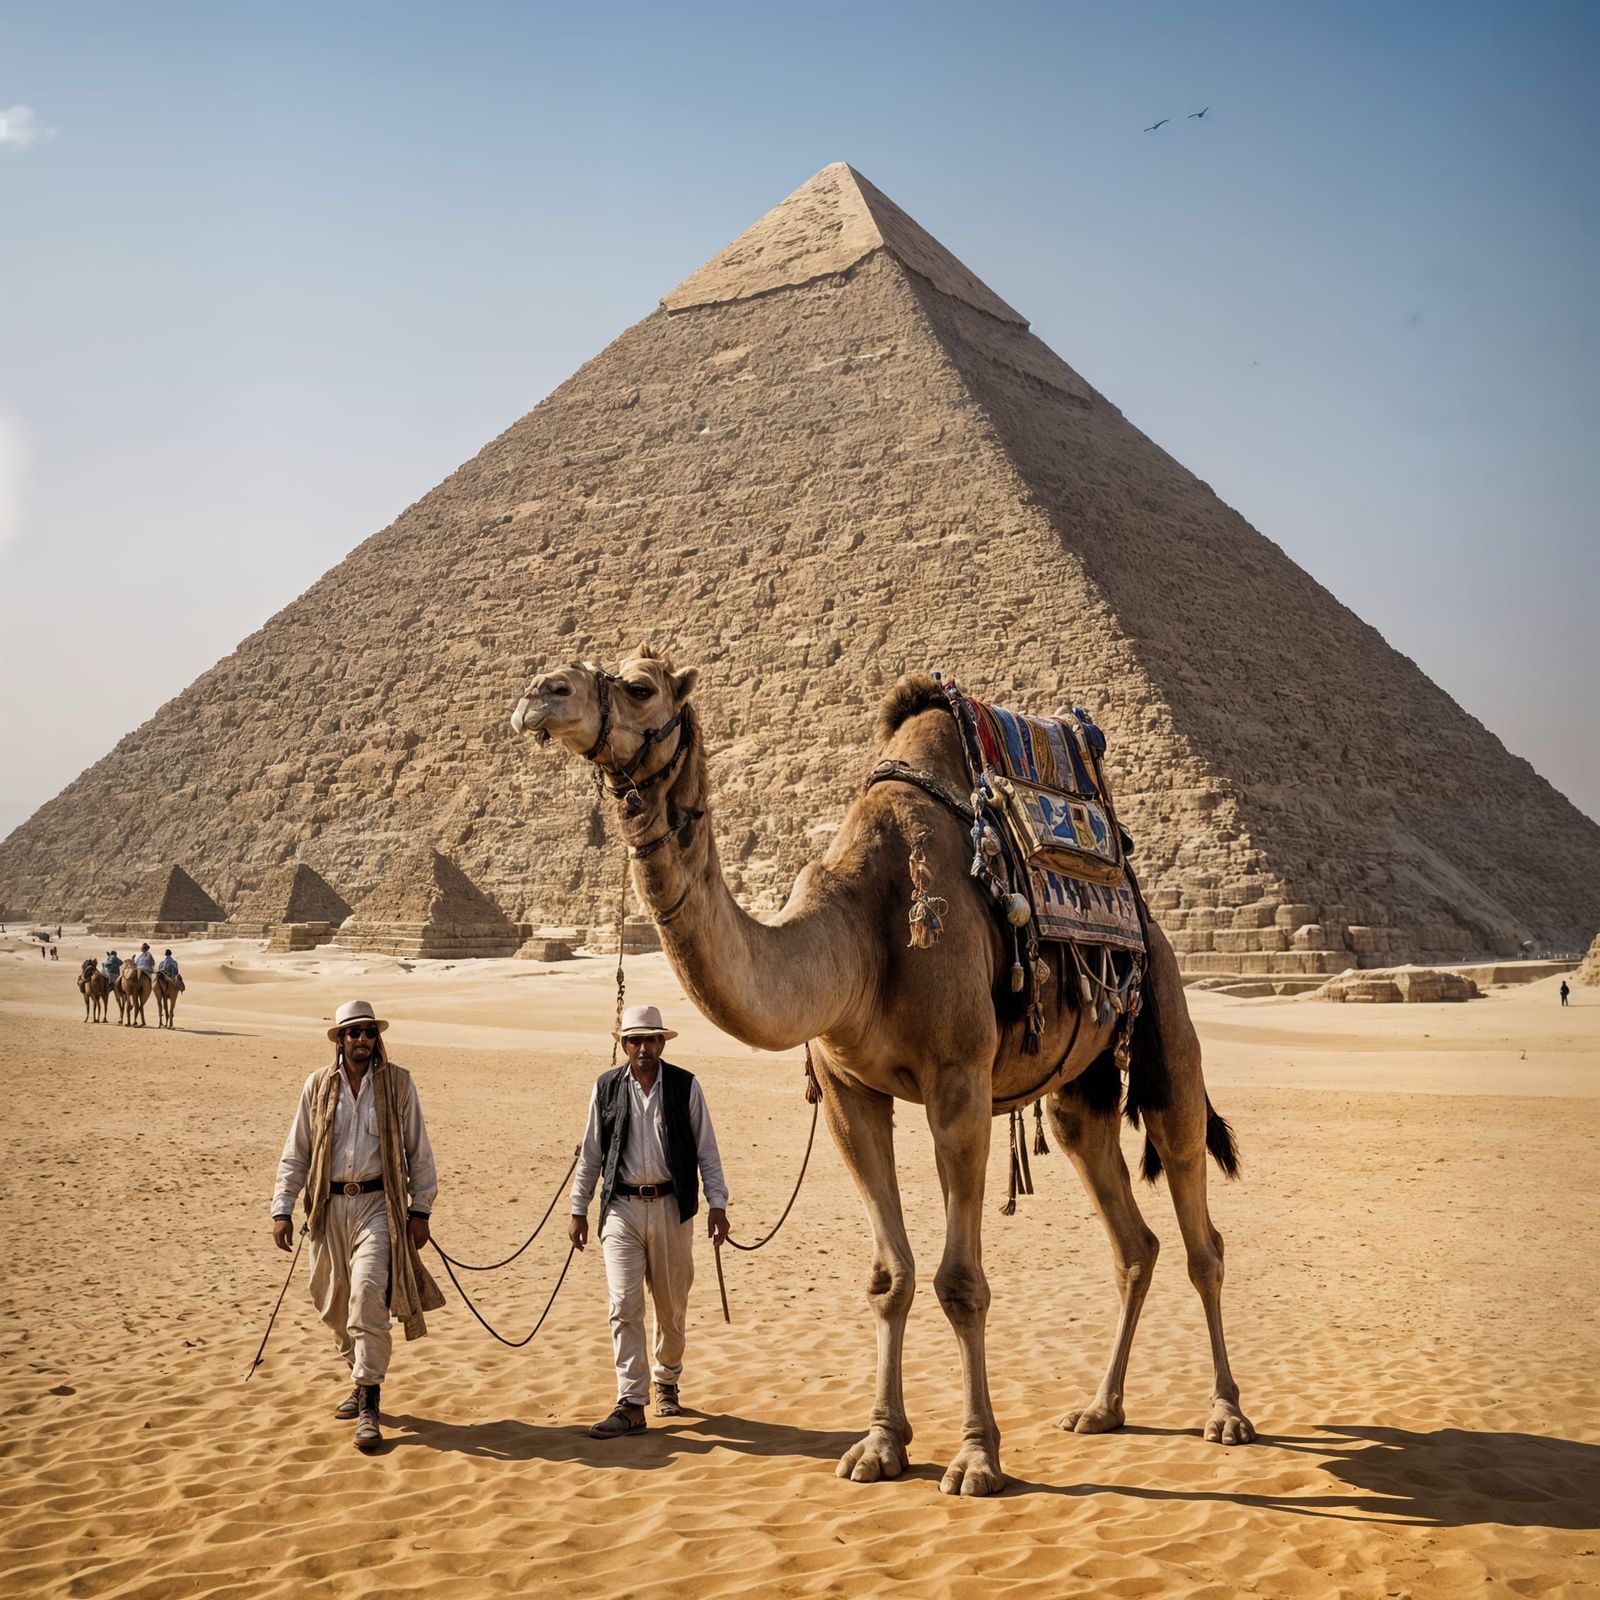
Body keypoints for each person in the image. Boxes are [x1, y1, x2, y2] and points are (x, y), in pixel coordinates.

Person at [271, 1000, 444, 1452]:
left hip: (378, 1206)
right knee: (331, 1301)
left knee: (367, 1294)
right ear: (340, 1040)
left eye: (368, 1031)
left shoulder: (398, 1085)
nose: (362, 1039)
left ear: (376, 1037)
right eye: (353, 1033)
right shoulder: (317, 1087)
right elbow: (298, 1150)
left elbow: (418, 1151)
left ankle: (369, 1396)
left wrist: (420, 1210)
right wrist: (282, 1207)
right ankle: (357, 1373)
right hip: (328, 1208)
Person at [569, 1003, 729, 1439]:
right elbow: (590, 1155)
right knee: (623, 1305)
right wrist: (577, 1209)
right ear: (623, 1044)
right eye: (635, 1040)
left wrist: (718, 1204)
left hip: (671, 1208)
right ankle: (631, 1401)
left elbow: (706, 1152)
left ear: (662, 1043)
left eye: (651, 1039)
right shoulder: (605, 1088)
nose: (643, 1047)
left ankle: (667, 1378)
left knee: (672, 1308)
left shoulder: (684, 1086)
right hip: (620, 1209)